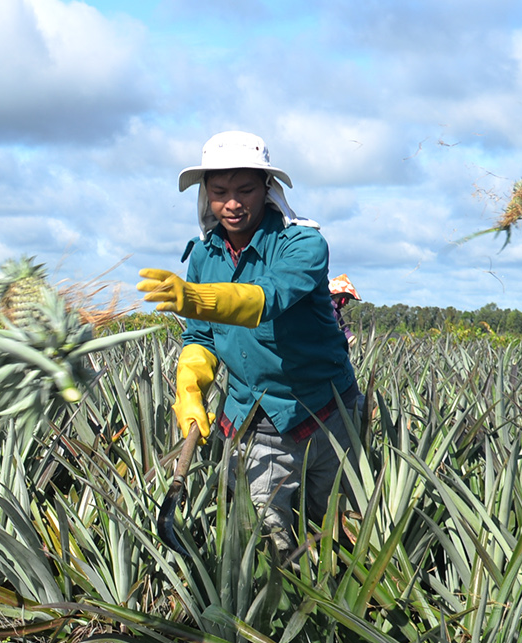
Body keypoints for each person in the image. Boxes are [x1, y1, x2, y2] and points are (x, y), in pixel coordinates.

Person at [136, 130, 360, 552]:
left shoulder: (304, 243)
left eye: (244, 190)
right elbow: (200, 335)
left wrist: (196, 297)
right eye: (219, 191)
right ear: (205, 194)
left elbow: (268, 297)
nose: (232, 204)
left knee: (337, 528)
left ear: (267, 189)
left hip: (328, 410)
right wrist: (189, 389)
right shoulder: (204, 256)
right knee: (266, 535)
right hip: (256, 419)